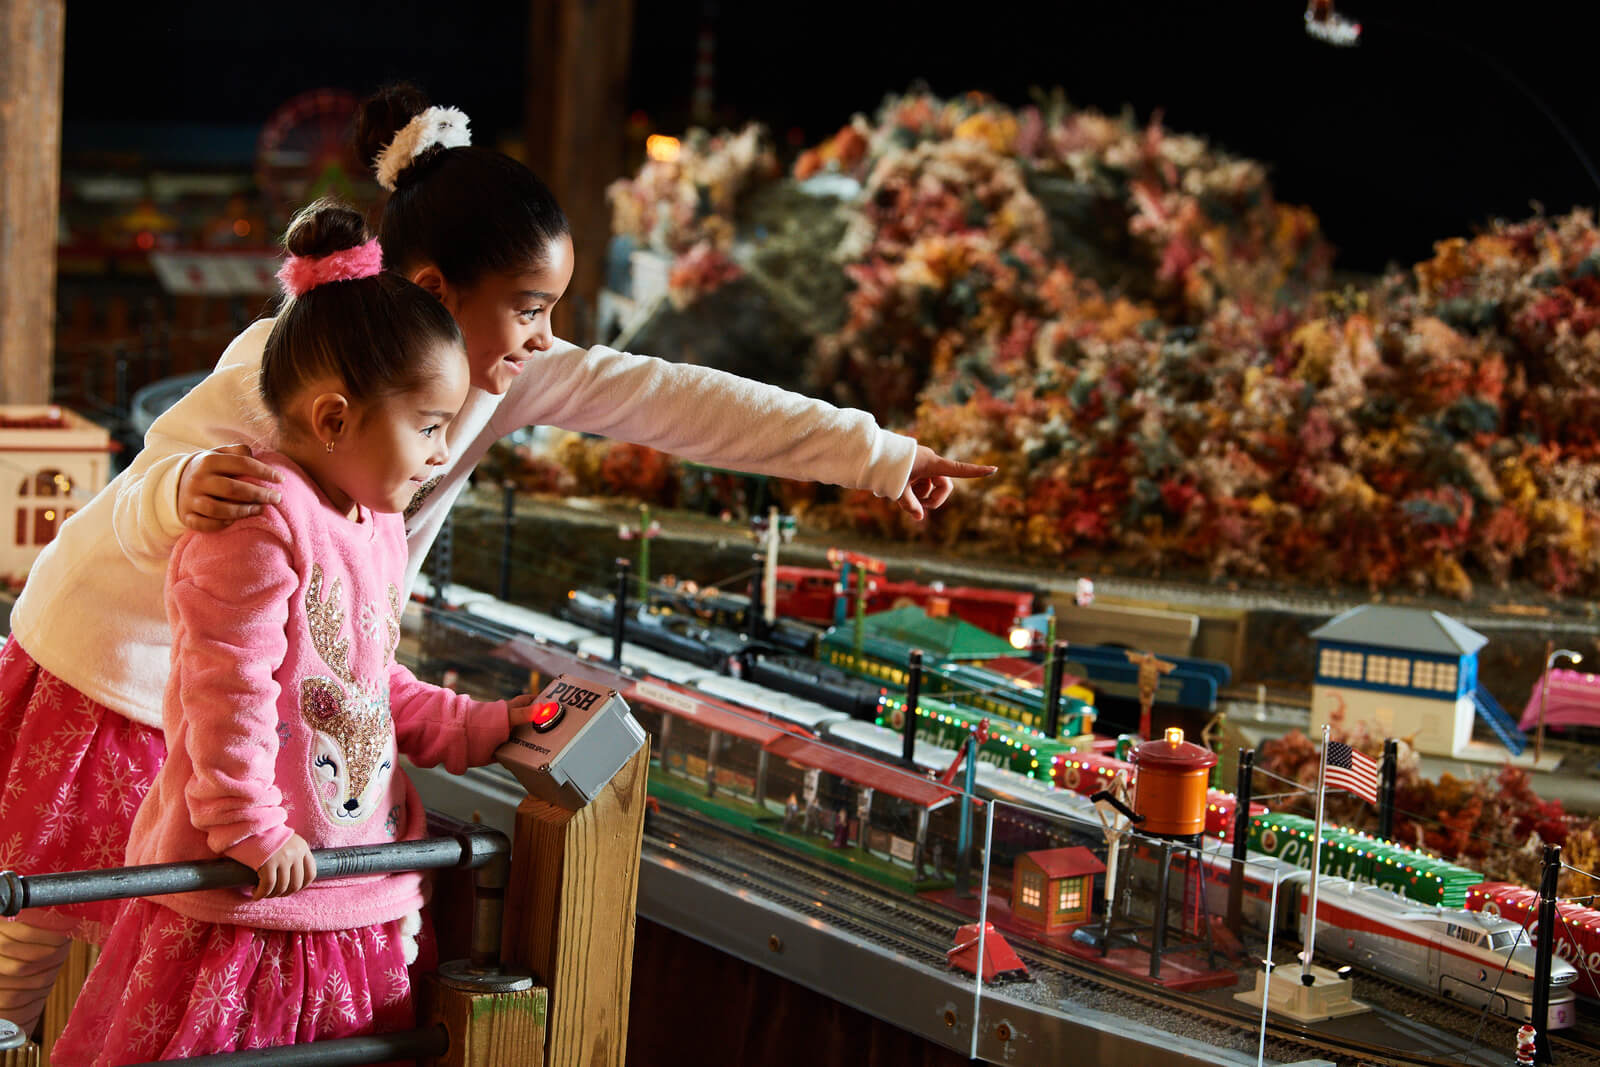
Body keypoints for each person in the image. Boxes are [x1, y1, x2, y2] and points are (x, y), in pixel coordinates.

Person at [0, 84, 993, 1030]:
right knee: (32, 936)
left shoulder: (506, 370)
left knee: (153, 923)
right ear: (434, 289)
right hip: (116, 666)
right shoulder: (300, 358)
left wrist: (880, 456)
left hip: (252, 702)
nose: (546, 336)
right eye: (528, 306)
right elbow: (140, 489)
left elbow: (678, 398)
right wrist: (180, 489)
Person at [50, 201, 539, 1063]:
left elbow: (362, 679)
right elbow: (223, 683)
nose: (439, 452)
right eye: (427, 427)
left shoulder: (377, 522)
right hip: (251, 890)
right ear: (334, 418)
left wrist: (474, 726)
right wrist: (246, 821)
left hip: (348, 880)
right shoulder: (259, 513)